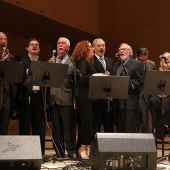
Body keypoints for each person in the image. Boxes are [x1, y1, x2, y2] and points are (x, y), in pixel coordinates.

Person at [15, 38, 46, 160]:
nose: (34, 46)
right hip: (26, 96)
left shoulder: (43, 63)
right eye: (32, 45)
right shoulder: (21, 60)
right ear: (27, 48)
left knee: (39, 126)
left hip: (39, 96)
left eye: (37, 45)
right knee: (24, 125)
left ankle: (39, 153)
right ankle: (24, 153)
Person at [48, 37, 77, 160]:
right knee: (56, 128)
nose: (60, 45)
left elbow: (76, 84)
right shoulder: (51, 61)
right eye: (58, 43)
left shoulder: (73, 62)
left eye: (63, 43)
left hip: (67, 98)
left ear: (68, 47)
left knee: (68, 127)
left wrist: (75, 99)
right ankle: (59, 151)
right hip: (53, 98)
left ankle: (71, 151)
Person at [112, 43, 144, 133]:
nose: (121, 51)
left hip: (130, 101)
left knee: (130, 129)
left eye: (124, 49)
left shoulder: (136, 64)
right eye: (120, 49)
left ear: (130, 52)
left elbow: (141, 81)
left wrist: (124, 83)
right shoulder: (116, 65)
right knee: (120, 129)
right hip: (118, 102)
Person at [72, 40, 96, 159]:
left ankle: (86, 147)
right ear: (84, 49)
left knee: (88, 122)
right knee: (86, 122)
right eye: (90, 47)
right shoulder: (82, 62)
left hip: (88, 97)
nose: (93, 49)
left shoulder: (87, 62)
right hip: (83, 97)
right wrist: (96, 76)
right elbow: (83, 78)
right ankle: (82, 148)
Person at [92, 38, 114, 132]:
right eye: (99, 45)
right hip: (96, 98)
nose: (101, 48)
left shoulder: (110, 61)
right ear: (93, 48)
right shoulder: (90, 60)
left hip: (108, 98)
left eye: (103, 45)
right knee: (96, 124)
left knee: (109, 124)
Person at [149, 52, 170, 140]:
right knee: (153, 100)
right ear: (162, 60)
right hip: (158, 95)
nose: (167, 59)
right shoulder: (157, 72)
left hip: (169, 96)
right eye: (164, 58)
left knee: (165, 103)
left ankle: (161, 129)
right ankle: (158, 126)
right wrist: (158, 94)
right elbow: (153, 87)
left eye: (169, 57)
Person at [136, 47, 157, 133]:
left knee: (147, 120)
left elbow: (154, 79)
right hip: (136, 95)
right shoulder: (133, 64)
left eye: (145, 59)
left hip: (148, 95)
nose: (143, 62)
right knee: (139, 119)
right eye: (141, 60)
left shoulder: (151, 64)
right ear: (136, 57)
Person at [0, 32, 15, 135]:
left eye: (5, 39)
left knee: (4, 120)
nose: (3, 41)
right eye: (1, 39)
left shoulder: (11, 57)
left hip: (7, 92)